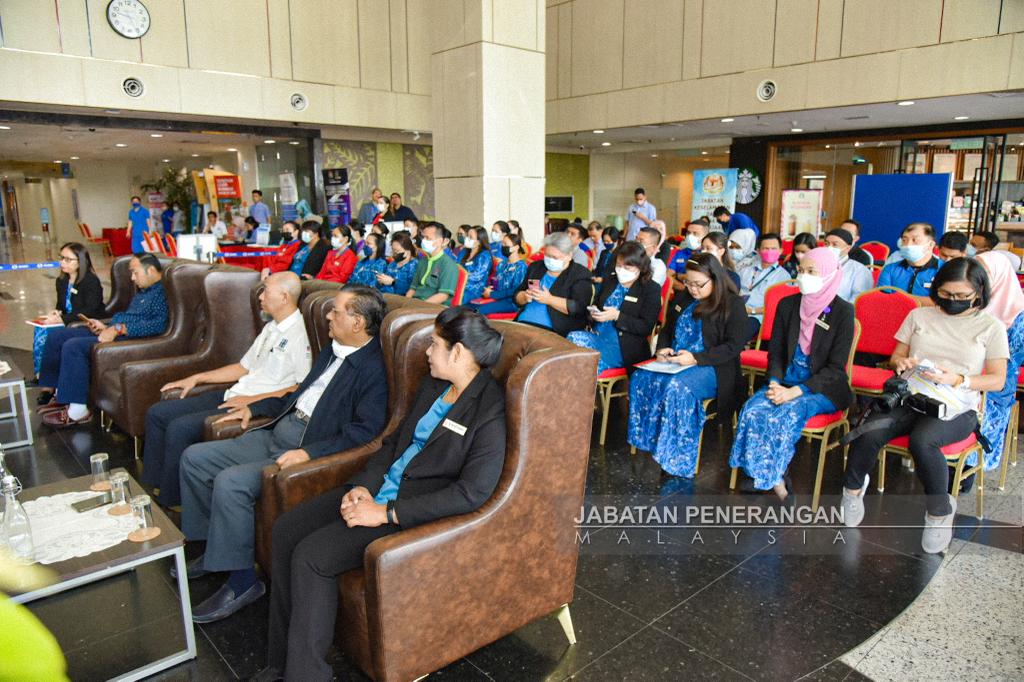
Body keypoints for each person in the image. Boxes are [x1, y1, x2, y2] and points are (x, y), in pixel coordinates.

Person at [254, 307, 506, 681]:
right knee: (286, 528)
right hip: (378, 490)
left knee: (311, 557)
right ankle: (281, 662)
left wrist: (385, 512)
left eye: (434, 345)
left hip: (408, 510)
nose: (427, 352)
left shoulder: (489, 408)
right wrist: (363, 486)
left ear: (457, 352)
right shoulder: (434, 386)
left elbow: (471, 493)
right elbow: (393, 445)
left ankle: (306, 675)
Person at [179, 286, 390, 623]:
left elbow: (365, 433)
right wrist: (255, 407)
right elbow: (298, 396)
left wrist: (309, 452)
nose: (328, 315)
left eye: (336, 311)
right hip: (280, 429)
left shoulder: (373, 368)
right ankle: (215, 548)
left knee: (231, 483)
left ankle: (243, 583)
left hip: (305, 446)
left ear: (358, 322)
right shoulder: (332, 350)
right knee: (194, 459)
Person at [841, 258, 1008, 554]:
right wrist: (901, 363)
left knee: (923, 441)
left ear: (979, 292)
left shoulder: (990, 326)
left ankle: (938, 513)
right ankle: (852, 492)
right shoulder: (919, 316)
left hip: (958, 405)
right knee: (868, 430)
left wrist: (958, 379)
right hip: (912, 395)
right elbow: (896, 358)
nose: (952, 300)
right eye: (945, 294)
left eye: (961, 296)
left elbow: (997, 380)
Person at [143, 272, 310, 507]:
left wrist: (254, 400)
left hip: (253, 402)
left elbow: (301, 387)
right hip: (234, 393)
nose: (260, 297)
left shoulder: (300, 334)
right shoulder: (271, 327)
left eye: (266, 291)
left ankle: (171, 503)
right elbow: (243, 367)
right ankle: (148, 488)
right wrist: (197, 378)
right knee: (157, 413)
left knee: (179, 428)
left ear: (284, 297)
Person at [730, 248, 855, 501]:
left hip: (820, 387)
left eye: (811, 271)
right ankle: (771, 476)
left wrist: (795, 392)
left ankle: (773, 481)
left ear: (829, 274)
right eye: (801, 270)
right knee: (752, 410)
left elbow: (835, 368)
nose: (803, 276)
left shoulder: (843, 311)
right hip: (785, 381)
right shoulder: (788, 305)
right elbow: (775, 353)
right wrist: (775, 383)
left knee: (785, 415)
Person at [628, 253, 747, 477]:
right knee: (641, 377)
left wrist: (695, 358)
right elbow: (667, 329)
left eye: (698, 284)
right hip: (677, 360)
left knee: (677, 388)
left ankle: (676, 456)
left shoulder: (732, 304)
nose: (692, 289)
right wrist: (662, 348)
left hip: (712, 366)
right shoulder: (684, 298)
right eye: (688, 283)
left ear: (715, 279)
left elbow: (733, 347)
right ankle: (651, 441)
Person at [38, 253, 168, 427]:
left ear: (150, 270)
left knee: (73, 346)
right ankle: (60, 395)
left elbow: (158, 325)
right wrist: (106, 325)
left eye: (135, 273)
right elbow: (130, 317)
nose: (132, 278)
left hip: (130, 340)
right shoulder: (143, 291)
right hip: (114, 331)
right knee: (58, 336)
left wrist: (118, 329)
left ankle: (78, 411)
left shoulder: (161, 293)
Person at [567, 242, 661, 373]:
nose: (621, 270)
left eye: (627, 267)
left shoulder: (651, 289)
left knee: (585, 363)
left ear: (641, 267)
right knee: (571, 343)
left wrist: (617, 316)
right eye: (619, 265)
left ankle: (579, 384)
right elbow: (597, 303)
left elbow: (646, 326)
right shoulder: (611, 280)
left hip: (623, 346)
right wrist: (594, 313)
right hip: (598, 335)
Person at [974, 251, 1024, 473]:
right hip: (968, 371)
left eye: (984, 273)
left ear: (999, 275)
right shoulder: (972, 303)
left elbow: (1013, 358)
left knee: (986, 401)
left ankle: (973, 466)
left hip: (998, 379)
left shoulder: (1019, 315)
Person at [31, 242, 105, 380]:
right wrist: (56, 312)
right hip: (67, 319)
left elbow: (90, 309)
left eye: (68, 259)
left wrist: (62, 319)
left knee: (48, 334)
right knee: (40, 329)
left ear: (81, 261)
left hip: (85, 322)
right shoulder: (62, 281)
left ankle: (48, 379)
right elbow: (61, 305)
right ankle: (40, 374)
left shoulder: (90, 281)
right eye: (61, 258)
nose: (62, 262)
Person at [513, 231, 593, 336]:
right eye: (547, 255)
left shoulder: (579, 274)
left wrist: (549, 299)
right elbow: (517, 295)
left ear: (569, 256)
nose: (550, 260)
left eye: (555, 257)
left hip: (552, 330)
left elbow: (578, 308)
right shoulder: (536, 267)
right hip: (522, 322)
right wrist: (524, 296)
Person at [739, 232, 790, 339]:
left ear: (781, 251)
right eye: (765, 248)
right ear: (758, 250)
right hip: (737, 311)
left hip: (758, 317)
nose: (769, 251)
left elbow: (780, 306)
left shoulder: (783, 276)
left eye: (773, 249)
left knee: (738, 335)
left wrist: (752, 311)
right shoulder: (746, 270)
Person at [877, 222, 942, 304]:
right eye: (904, 240)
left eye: (915, 240)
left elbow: (943, 303)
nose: (908, 245)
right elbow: (882, 301)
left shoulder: (944, 269)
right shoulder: (890, 269)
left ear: (931, 245)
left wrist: (899, 298)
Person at [469, 232, 528, 315]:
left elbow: (516, 290)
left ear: (516, 247)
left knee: (478, 311)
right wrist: (489, 289)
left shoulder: (521, 267)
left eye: (505, 244)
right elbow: (496, 281)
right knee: (469, 306)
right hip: (497, 297)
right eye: (502, 243)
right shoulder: (502, 264)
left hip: (510, 302)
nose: (503, 246)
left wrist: (492, 294)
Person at [407, 223, 460, 304]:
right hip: (416, 303)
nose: (423, 241)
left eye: (428, 238)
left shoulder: (448, 265)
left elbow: (443, 296)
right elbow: (412, 289)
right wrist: (406, 303)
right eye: (423, 237)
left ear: (440, 241)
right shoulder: (422, 261)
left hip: (434, 306)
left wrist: (419, 306)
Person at [823, 228, 873, 302]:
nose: (829, 247)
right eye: (827, 244)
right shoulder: (816, 264)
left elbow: (859, 299)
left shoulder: (860, 270)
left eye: (835, 244)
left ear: (848, 248)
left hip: (843, 308)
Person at [667, 220, 711, 292]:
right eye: (688, 233)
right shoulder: (680, 253)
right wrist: (684, 289)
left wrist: (679, 276)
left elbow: (704, 279)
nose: (690, 236)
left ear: (705, 237)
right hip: (681, 293)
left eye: (695, 233)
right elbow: (668, 276)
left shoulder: (709, 255)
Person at [458, 226, 492, 302]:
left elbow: (477, 276)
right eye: (467, 236)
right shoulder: (464, 251)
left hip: (474, 288)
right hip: (460, 284)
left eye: (470, 237)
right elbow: (457, 267)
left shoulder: (484, 256)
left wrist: (459, 281)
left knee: (457, 296)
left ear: (479, 241)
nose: (467, 238)